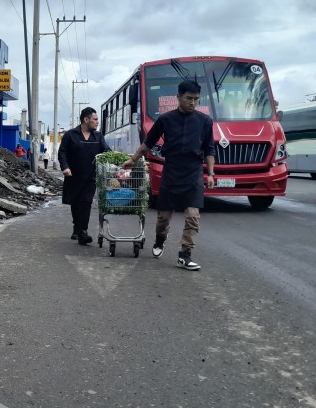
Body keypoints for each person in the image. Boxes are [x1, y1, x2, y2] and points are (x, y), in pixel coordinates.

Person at [122, 80, 216, 271]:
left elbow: (209, 149)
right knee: (164, 217)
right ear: (178, 97)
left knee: (193, 216)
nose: (192, 102)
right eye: (189, 98)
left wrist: (211, 173)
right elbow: (148, 144)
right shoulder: (165, 119)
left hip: (193, 172)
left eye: (196, 99)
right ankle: (159, 240)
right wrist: (132, 160)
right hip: (171, 171)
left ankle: (185, 255)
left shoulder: (204, 121)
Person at [58, 107, 111, 245]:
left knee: (86, 203)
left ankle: (83, 232)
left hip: (90, 177)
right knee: (75, 203)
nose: (97, 122)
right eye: (95, 119)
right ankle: (77, 227)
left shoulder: (98, 136)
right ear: (86, 120)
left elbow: (106, 151)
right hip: (73, 176)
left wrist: (117, 160)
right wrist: (65, 167)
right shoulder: (71, 135)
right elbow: (62, 152)